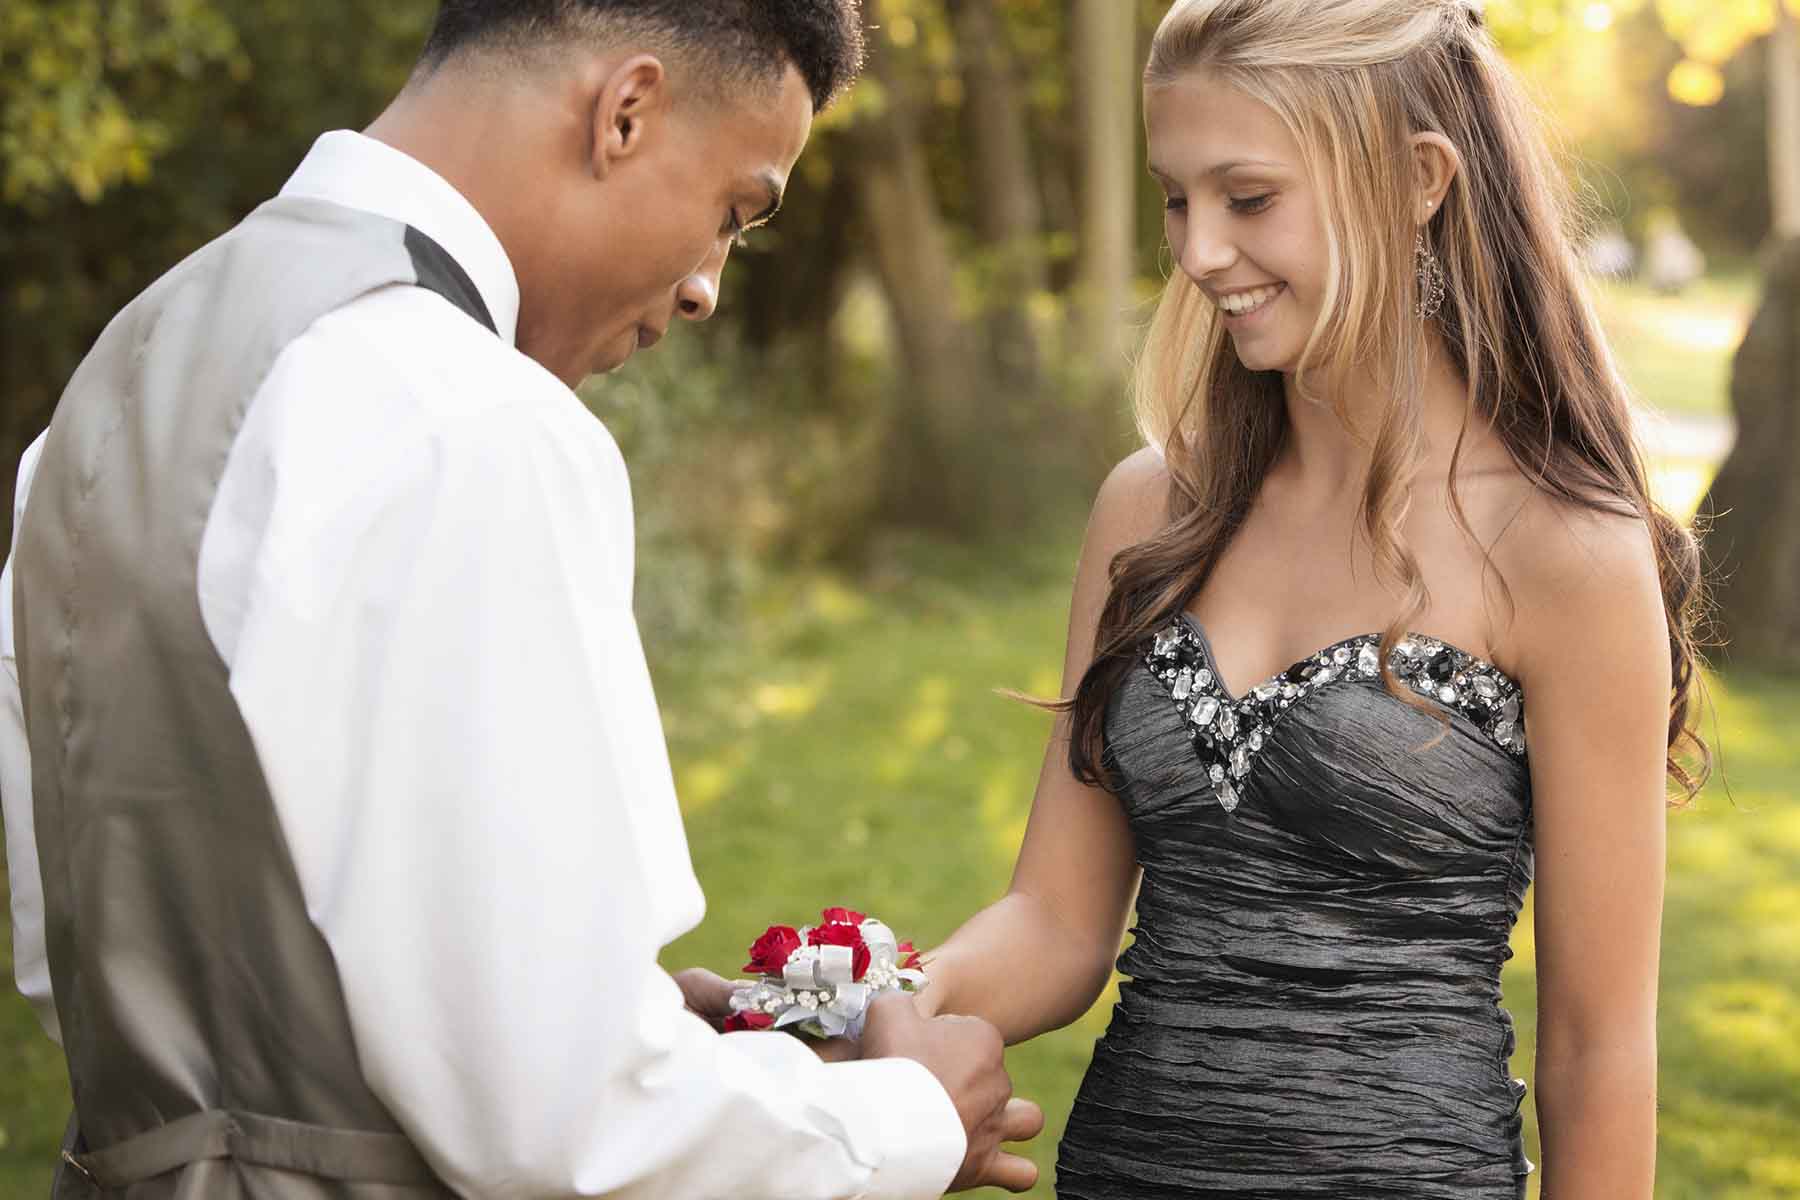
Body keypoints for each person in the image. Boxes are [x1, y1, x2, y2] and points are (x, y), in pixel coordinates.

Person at [0, 1, 1041, 1196]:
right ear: (627, 111)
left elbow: (85, 967)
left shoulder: (110, 395)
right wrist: (906, 1117)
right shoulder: (472, 421)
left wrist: (622, 1010)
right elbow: (563, 1118)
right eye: (733, 212)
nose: (706, 287)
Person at [913, 1, 1708, 1197]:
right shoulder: (1149, 512)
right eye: (1177, 200)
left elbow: (1599, 1050)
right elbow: (1057, 925)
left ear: (1416, 180)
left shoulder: (1562, 551)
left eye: (1248, 199)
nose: (1197, 253)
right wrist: (877, 1001)